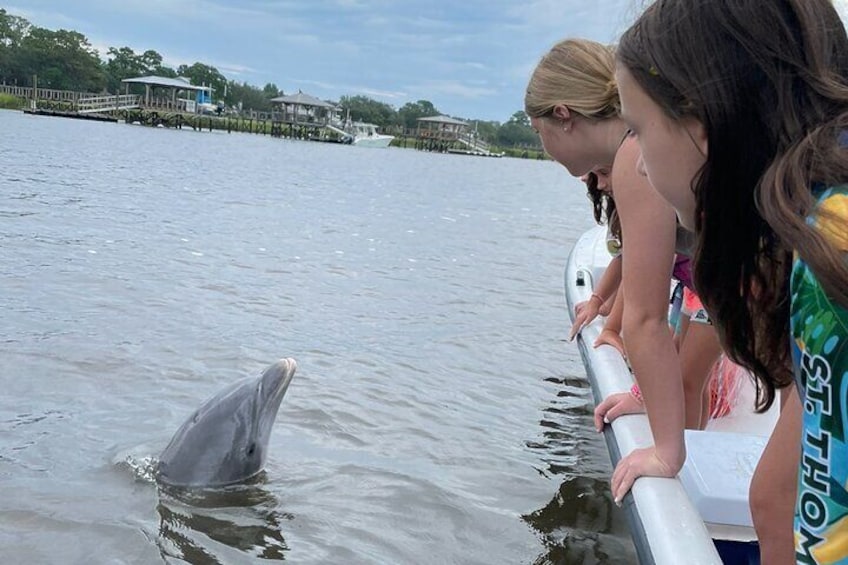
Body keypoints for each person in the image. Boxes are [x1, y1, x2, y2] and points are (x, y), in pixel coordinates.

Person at [615, 1, 848, 562]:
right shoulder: (818, 223)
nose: (641, 166)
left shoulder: (829, 253)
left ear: (700, 125)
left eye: (638, 129)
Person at [526, 38, 689, 503]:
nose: (544, 147)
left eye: (539, 131)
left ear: (564, 116)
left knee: (774, 496)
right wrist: (643, 395)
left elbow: (646, 318)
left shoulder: (632, 158)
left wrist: (666, 452)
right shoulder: (651, 139)